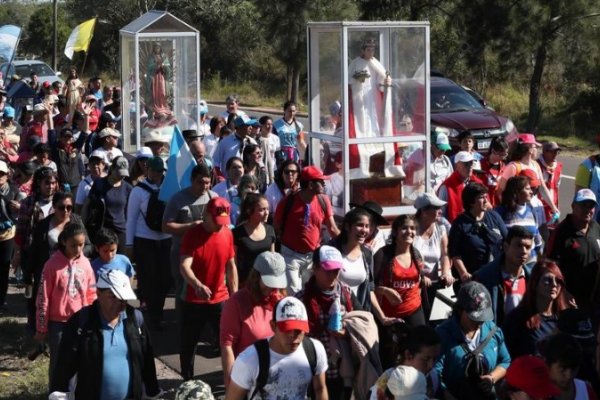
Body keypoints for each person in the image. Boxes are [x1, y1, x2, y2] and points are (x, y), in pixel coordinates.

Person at [51, 269, 161, 400]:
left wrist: (152, 391)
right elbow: (64, 365)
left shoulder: (135, 319)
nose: (120, 303)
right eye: (113, 296)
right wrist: (59, 394)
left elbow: (147, 359)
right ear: (98, 293)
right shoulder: (82, 322)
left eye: (123, 298)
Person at [179, 197, 238, 380]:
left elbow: (230, 266)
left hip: (220, 298)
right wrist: (197, 284)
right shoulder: (192, 235)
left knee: (228, 342)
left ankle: (233, 379)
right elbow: (184, 266)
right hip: (194, 299)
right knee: (189, 343)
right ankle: (187, 381)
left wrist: (234, 296)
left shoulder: (227, 233)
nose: (221, 225)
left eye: (224, 221)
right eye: (217, 221)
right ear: (207, 215)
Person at [226, 296, 328, 400]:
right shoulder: (249, 360)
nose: (293, 336)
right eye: (287, 329)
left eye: (298, 330)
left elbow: (320, 388)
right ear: (273, 326)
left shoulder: (314, 350)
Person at [35, 222, 97, 390]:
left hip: (81, 322)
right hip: (59, 324)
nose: (78, 249)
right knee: (58, 362)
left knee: (81, 359)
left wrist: (92, 316)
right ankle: (56, 392)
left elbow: (91, 293)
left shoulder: (86, 265)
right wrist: (41, 328)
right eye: (73, 245)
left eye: (81, 245)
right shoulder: (52, 265)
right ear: (63, 242)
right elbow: (43, 298)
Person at [296, 246, 361, 399]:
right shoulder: (302, 299)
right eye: (328, 270)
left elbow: (361, 325)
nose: (333, 275)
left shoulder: (346, 294)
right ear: (316, 268)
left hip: (342, 369)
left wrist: (345, 333)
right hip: (311, 369)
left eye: (336, 270)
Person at [220, 251, 287, 387]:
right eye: (269, 282)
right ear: (256, 277)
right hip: (249, 378)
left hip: (278, 376)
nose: (274, 288)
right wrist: (231, 387)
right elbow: (227, 346)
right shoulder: (236, 303)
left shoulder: (282, 301)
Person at [434, 281, 511, 400]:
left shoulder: (494, 332)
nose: (480, 323)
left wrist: (492, 378)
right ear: (460, 310)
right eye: (474, 318)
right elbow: (434, 374)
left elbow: (505, 361)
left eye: (483, 318)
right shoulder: (443, 336)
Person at [274, 166, 340, 294]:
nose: (323, 184)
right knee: (294, 293)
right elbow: (276, 226)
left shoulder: (323, 200)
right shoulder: (287, 201)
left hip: (313, 257)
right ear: (310, 184)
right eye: (320, 181)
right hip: (290, 256)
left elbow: (332, 228)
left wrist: (347, 242)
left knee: (310, 293)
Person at [125, 156, 172, 329]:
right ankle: (154, 316)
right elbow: (131, 219)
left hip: (166, 239)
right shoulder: (138, 191)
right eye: (154, 170)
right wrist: (129, 245)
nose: (157, 174)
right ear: (147, 170)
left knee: (166, 279)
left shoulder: (169, 188)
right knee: (150, 280)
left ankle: (156, 311)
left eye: (160, 171)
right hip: (145, 240)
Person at [162, 164, 217, 300]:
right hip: (182, 253)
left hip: (207, 253)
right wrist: (191, 226)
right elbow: (166, 226)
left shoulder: (213, 197)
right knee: (183, 291)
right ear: (192, 180)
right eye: (200, 182)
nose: (204, 186)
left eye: (207, 183)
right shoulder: (178, 199)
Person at [14, 167, 58, 332]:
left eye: (53, 183)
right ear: (39, 183)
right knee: (32, 291)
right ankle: (33, 325)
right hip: (31, 254)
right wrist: (18, 253)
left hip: (54, 254)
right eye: (47, 183)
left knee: (52, 292)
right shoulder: (29, 203)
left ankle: (50, 325)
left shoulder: (60, 203)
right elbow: (21, 230)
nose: (51, 186)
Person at [330, 207, 390, 322]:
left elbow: (370, 289)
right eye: (360, 225)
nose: (364, 230)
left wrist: (382, 317)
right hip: (336, 315)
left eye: (367, 226)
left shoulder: (367, 254)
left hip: (360, 315)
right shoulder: (332, 250)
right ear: (347, 227)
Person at [501, 260, 570, 358]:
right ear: (535, 284)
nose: (554, 284)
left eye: (558, 280)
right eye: (548, 280)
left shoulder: (564, 320)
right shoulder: (518, 318)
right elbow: (504, 357)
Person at [546, 189, 600, 313]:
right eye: (583, 205)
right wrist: (562, 292)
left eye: (591, 206)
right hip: (569, 301)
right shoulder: (561, 232)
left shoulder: (596, 228)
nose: (588, 209)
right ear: (573, 206)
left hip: (593, 300)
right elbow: (550, 267)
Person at [347, 38, 394, 179]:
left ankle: (376, 142)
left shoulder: (375, 62)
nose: (371, 52)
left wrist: (385, 82)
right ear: (363, 50)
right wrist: (357, 79)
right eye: (368, 49)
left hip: (373, 98)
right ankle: (364, 143)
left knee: (374, 120)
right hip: (360, 97)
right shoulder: (355, 63)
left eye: (372, 49)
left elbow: (381, 79)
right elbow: (348, 80)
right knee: (363, 122)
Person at [374, 214, 427, 330]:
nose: (409, 231)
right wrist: (384, 291)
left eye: (412, 228)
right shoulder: (382, 255)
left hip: (414, 311)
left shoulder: (417, 255)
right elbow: (369, 287)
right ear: (395, 232)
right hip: (389, 316)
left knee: (420, 346)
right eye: (404, 228)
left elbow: (418, 282)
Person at [474, 226, 535, 324]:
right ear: (506, 247)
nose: (524, 251)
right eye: (518, 245)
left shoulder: (533, 279)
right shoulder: (485, 277)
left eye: (528, 247)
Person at [448, 182, 507, 280]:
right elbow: (455, 253)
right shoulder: (460, 223)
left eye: (486, 197)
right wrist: (463, 273)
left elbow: (507, 241)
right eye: (481, 197)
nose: (485, 201)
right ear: (471, 202)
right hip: (473, 277)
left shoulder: (494, 217)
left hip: (496, 273)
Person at [369, 325, 442, 400]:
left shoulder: (432, 376)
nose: (431, 365)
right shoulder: (385, 383)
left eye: (435, 359)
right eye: (426, 359)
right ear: (408, 355)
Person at [496, 133, 559, 218]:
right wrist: (510, 210)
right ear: (529, 149)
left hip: (534, 207)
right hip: (517, 210)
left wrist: (553, 207)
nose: (537, 149)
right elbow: (500, 191)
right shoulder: (513, 167)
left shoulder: (535, 165)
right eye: (535, 147)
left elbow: (543, 188)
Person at [413, 192, 454, 313]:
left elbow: (445, 254)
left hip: (438, 282)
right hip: (417, 285)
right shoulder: (411, 231)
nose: (440, 210)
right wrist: (420, 276)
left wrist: (446, 273)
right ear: (424, 211)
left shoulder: (441, 229)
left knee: (444, 316)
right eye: (436, 208)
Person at [83, 156, 133, 253]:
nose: (121, 176)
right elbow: (87, 205)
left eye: (124, 174)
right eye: (119, 173)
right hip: (102, 230)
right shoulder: (99, 184)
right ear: (112, 168)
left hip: (121, 232)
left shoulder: (128, 188)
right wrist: (83, 227)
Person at [495, 176, 543, 268]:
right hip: (509, 265)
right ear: (516, 192)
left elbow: (537, 236)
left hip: (530, 264)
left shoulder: (531, 210)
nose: (531, 192)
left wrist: (539, 254)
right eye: (527, 189)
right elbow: (497, 242)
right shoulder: (501, 212)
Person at [233, 193, 275, 285]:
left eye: (267, 209)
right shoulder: (237, 233)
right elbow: (233, 264)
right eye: (262, 210)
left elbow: (273, 260)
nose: (267, 212)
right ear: (249, 211)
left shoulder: (270, 230)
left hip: (266, 284)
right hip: (245, 284)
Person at [541, 333, 599, 400]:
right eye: (563, 369)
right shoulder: (536, 394)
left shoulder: (586, 391)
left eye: (574, 369)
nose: (569, 375)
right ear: (547, 364)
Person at [438, 150, 485, 222]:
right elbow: (441, 214)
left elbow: (486, 206)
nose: (470, 166)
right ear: (456, 166)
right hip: (456, 228)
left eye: (471, 163)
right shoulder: (446, 187)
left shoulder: (478, 183)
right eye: (466, 164)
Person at [0, 160, 21, 309]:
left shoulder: (14, 190)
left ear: (7, 175)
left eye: (1, 174)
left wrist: (20, 207)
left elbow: (22, 212)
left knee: (3, 268)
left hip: (7, 235)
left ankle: (1, 301)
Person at [477, 136, 509, 207]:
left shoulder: (504, 167)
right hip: (485, 205)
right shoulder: (480, 165)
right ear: (494, 152)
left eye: (506, 154)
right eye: (503, 155)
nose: (505, 157)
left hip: (499, 206)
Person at [537, 141, 562, 224]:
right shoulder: (536, 165)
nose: (555, 154)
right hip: (538, 207)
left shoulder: (558, 167)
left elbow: (556, 189)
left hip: (552, 209)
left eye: (557, 152)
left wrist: (556, 207)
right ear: (544, 152)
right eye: (552, 152)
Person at [146, 42, 172, 120]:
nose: (157, 49)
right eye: (155, 47)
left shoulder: (164, 56)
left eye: (158, 47)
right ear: (154, 48)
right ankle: (156, 105)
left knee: (162, 92)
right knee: (155, 93)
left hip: (162, 77)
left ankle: (163, 106)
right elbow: (149, 67)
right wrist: (155, 65)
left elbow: (168, 67)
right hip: (154, 78)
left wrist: (163, 66)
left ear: (160, 48)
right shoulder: (151, 57)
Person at [74, 149, 106, 214]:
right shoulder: (83, 184)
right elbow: (78, 207)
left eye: (98, 163)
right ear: (89, 165)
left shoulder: (110, 180)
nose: (95, 166)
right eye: (93, 164)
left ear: (103, 165)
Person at [257, 115, 280, 185]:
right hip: (261, 169)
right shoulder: (258, 139)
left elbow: (277, 154)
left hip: (273, 168)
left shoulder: (275, 138)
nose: (270, 127)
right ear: (261, 126)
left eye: (271, 124)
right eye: (267, 124)